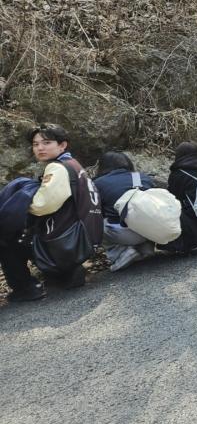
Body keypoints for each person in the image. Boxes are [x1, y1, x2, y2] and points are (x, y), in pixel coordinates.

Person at [2, 125, 103, 299]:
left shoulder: (57, 168)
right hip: (84, 238)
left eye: (46, 142)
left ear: (62, 145)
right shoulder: (74, 164)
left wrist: (18, 204)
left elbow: (42, 205)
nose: (40, 148)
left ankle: (26, 288)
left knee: (6, 239)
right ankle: (63, 273)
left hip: (69, 243)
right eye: (35, 144)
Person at [93, 152, 162, 272]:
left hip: (125, 234)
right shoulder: (142, 177)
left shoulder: (98, 183)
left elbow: (98, 212)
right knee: (144, 214)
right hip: (154, 230)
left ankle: (120, 254)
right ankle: (146, 248)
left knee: (97, 223)